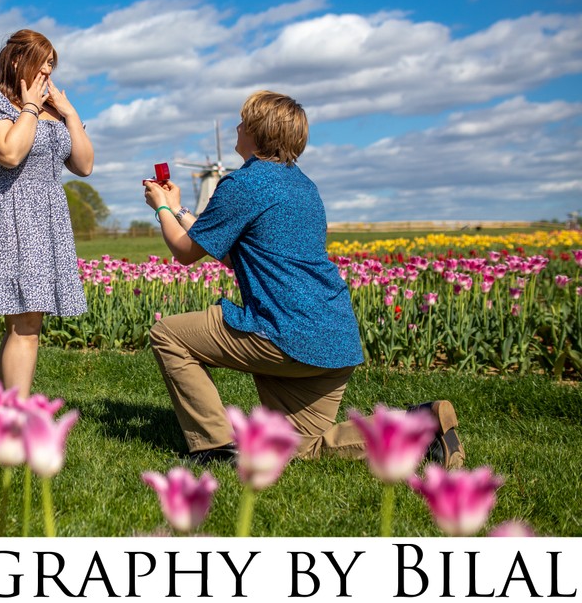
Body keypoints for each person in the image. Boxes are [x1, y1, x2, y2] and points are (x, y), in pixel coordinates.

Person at [143, 90, 464, 467]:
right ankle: (420, 430)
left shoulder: (244, 184)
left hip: (285, 332)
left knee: (169, 335)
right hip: (333, 338)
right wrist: (180, 209)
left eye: (243, 121)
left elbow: (184, 253)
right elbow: (232, 255)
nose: (236, 126)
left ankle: (215, 446)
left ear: (257, 132)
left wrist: (161, 206)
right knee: (298, 446)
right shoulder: (304, 187)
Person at [0, 29, 94, 398]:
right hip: (10, 212)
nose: (48, 74)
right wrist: (31, 108)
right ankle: (14, 414)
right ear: (18, 61)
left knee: (28, 321)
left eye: (52, 65)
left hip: (48, 215)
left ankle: (8, 406)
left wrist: (69, 113)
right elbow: (9, 153)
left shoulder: (55, 108)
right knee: (24, 321)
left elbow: (84, 165)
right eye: (43, 64)